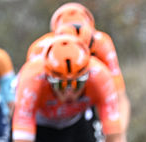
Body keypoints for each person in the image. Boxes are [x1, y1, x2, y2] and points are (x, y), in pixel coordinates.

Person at [28, 2, 131, 133]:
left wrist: (118, 134)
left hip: (87, 95)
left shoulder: (102, 43)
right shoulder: (40, 49)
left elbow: (119, 95)